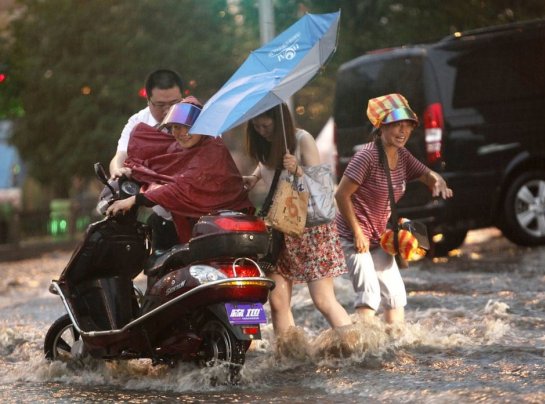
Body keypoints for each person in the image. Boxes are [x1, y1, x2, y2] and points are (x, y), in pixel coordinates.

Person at [334, 93, 453, 325]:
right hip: (352, 235)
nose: (403, 132)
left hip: (379, 236)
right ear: (381, 127)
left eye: (407, 126)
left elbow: (428, 175)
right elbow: (341, 195)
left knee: (395, 295)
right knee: (369, 294)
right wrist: (357, 232)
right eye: (396, 126)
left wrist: (438, 181)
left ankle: (393, 346)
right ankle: (361, 351)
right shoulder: (366, 157)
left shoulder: (403, 155)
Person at [242, 103, 352, 336]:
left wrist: (299, 170)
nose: (263, 131)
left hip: (311, 229)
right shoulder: (265, 144)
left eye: (267, 125)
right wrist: (254, 176)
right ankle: (289, 358)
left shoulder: (303, 140)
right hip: (278, 230)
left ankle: (355, 347)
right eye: (257, 126)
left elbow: (324, 192)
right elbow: (267, 166)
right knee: (278, 303)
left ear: (280, 120)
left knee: (322, 300)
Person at [106, 101, 253, 243]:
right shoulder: (180, 148)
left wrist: (134, 200)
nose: (182, 133)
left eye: (189, 126)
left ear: (203, 126)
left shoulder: (213, 148)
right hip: (199, 226)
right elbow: (159, 165)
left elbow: (183, 186)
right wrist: (134, 171)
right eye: (176, 127)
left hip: (227, 228)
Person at [109, 69, 200, 250]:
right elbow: (119, 157)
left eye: (174, 103)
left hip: (201, 213)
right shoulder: (139, 124)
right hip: (163, 216)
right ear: (148, 100)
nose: (168, 110)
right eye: (160, 105)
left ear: (183, 96)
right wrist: (118, 170)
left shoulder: (199, 118)